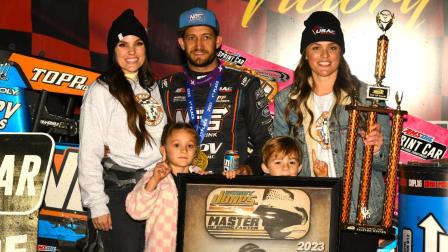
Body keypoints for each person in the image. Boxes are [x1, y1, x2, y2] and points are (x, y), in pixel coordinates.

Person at [273, 11, 391, 250]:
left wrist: (378, 149)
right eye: (316, 47)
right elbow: (278, 158)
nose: (324, 55)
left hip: (359, 213)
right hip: (307, 210)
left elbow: (387, 162)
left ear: (341, 52)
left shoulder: (368, 98)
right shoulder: (287, 99)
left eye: (332, 47)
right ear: (305, 54)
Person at [78, 9, 166, 252]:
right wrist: (97, 204)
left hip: (157, 188)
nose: (131, 52)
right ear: (113, 49)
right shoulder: (101, 91)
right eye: (123, 44)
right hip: (120, 192)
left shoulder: (154, 86)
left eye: (138, 44)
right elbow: (89, 151)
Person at [157, 7, 272, 176]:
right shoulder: (166, 87)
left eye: (206, 37)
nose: (199, 45)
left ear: (217, 42)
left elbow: (266, 142)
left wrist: (248, 169)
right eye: (191, 38)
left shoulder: (244, 84)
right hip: (177, 191)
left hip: (229, 189)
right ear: (182, 43)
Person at [125, 123, 198, 252]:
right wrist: (154, 181)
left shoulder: (200, 179)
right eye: (176, 145)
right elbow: (136, 212)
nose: (184, 150)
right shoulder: (154, 177)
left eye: (190, 145)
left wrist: (231, 178)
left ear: (196, 151)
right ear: (164, 150)